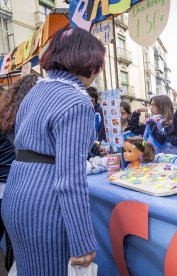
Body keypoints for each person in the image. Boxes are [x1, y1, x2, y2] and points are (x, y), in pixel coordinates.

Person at [1, 27, 106, 275]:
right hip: (44, 206)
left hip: (16, 196)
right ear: (88, 61)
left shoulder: (36, 91)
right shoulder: (77, 100)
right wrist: (82, 241)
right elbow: (70, 179)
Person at [0, 74, 39, 271]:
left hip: (8, 189)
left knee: (12, 247)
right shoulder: (27, 122)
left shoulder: (5, 118)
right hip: (17, 189)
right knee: (16, 247)